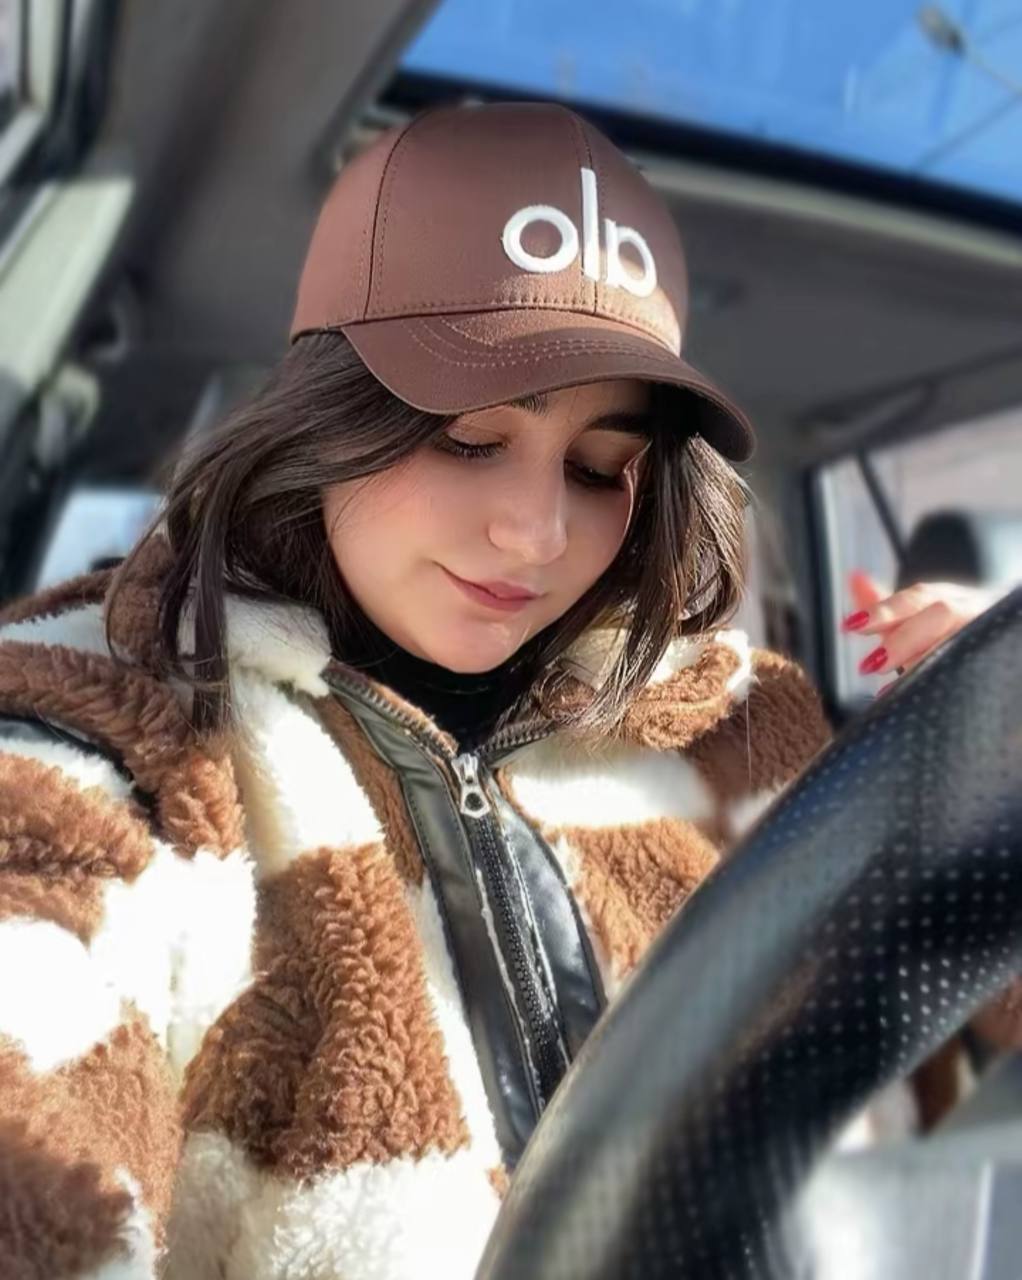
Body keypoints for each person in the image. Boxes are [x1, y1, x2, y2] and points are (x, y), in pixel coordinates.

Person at [0, 101, 1002, 1280]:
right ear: (327, 408)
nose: (536, 533)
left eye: (600, 468)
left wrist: (992, 763)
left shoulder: (740, 723)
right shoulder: (115, 725)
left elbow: (958, 1057)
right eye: (469, 439)